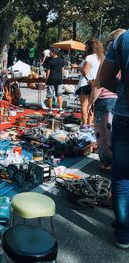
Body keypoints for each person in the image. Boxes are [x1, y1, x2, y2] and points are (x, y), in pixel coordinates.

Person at [98, 28, 129, 249]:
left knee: (122, 176)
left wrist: (123, 90)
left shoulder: (123, 39)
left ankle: (123, 234)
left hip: (125, 116)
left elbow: (103, 78)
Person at [88, 29, 125, 172]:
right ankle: (117, 162)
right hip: (119, 101)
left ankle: (107, 163)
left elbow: (98, 84)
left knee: (103, 134)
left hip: (105, 102)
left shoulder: (108, 61)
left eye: (108, 43)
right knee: (116, 135)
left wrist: (91, 102)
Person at [76, 39, 104, 131]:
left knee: (84, 105)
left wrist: (79, 68)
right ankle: (89, 124)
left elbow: (85, 71)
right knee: (92, 105)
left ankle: (84, 124)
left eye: (86, 46)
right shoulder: (102, 57)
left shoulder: (89, 57)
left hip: (86, 83)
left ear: (89, 47)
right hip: (97, 84)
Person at [45, 47, 64, 113]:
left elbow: (48, 72)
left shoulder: (50, 61)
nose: (49, 53)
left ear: (54, 53)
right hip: (59, 79)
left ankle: (50, 109)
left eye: (50, 52)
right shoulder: (61, 60)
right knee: (59, 94)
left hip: (51, 79)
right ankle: (60, 109)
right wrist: (62, 77)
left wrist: (46, 79)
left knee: (50, 95)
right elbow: (62, 70)